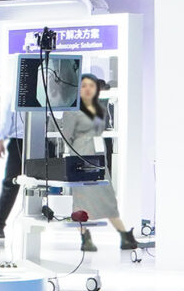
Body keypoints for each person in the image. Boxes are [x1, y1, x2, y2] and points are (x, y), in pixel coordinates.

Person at [57, 74, 141, 253]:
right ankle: (85, 237)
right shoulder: (72, 111)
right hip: (81, 156)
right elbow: (67, 137)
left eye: (91, 85)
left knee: (107, 197)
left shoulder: (99, 108)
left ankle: (124, 235)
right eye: (84, 86)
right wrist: (77, 155)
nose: (88, 89)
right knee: (82, 199)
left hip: (99, 156)